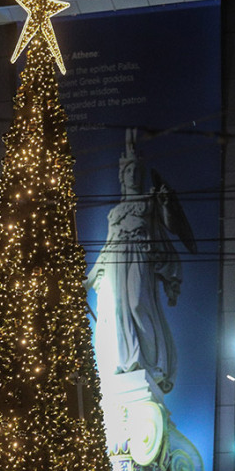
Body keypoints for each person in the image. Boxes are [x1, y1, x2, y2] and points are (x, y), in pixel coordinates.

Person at [86, 129, 196, 394]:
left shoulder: (149, 202)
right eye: (128, 172)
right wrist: (89, 279)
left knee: (137, 303)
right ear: (122, 176)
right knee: (116, 310)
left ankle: (151, 363)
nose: (132, 175)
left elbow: (169, 225)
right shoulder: (114, 213)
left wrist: (166, 203)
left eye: (136, 171)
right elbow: (107, 246)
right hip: (116, 262)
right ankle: (128, 361)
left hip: (140, 256)